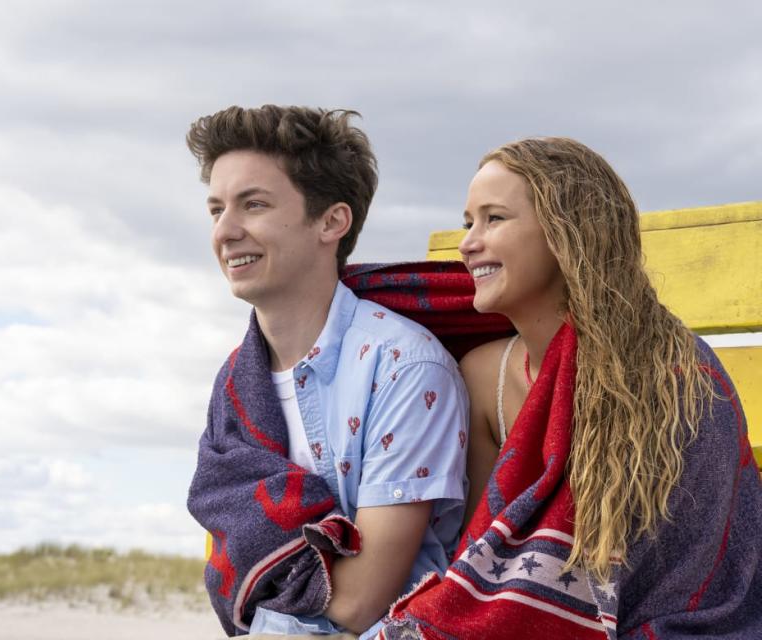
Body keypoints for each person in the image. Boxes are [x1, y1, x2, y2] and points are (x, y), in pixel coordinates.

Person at [379, 137, 762, 639]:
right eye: (468, 220)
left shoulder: (673, 377)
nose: (468, 243)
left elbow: (690, 566)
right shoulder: (481, 374)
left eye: (494, 218)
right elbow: (482, 557)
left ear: (567, 233)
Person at [185, 105, 470, 638]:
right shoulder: (235, 385)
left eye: (254, 204)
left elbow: (359, 603)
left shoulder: (404, 367)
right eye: (216, 209)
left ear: (332, 221)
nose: (225, 231)